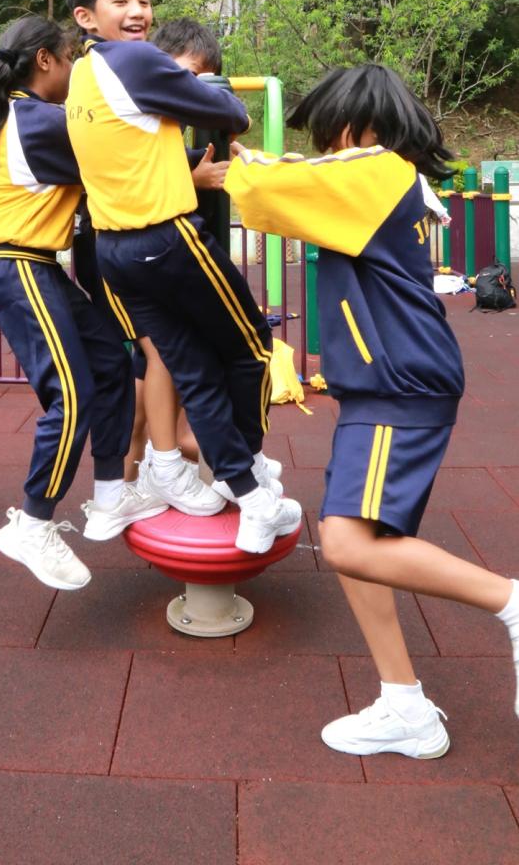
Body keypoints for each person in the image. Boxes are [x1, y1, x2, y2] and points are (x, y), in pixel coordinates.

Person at [226, 62, 519, 757]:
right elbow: (299, 179)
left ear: (361, 125)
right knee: (362, 545)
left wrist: (226, 167)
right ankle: (404, 705)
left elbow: (267, 189)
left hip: (398, 385)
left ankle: (510, 602)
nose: (326, 148)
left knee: (347, 543)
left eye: (331, 132)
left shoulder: (377, 170)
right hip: (386, 382)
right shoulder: (393, 179)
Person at [65, 0, 302, 554]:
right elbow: (231, 112)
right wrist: (195, 95)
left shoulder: (83, 75)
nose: (138, 11)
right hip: (167, 240)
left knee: (193, 369)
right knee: (252, 350)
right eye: (121, 0)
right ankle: (248, 469)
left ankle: (248, 497)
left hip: (114, 251)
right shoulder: (137, 60)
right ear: (87, 15)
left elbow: (135, 148)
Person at [0, 15, 167, 592]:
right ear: (45, 61)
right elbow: (121, 161)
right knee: (71, 395)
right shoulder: (39, 120)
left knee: (110, 362)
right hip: (18, 267)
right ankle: (32, 524)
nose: (77, 67)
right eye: (72, 56)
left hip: (38, 267)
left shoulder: (25, 116)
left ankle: (110, 492)